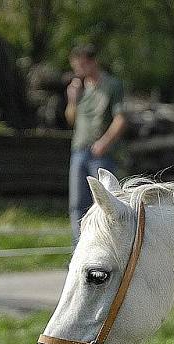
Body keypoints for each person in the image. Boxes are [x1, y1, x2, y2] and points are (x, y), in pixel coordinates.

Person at [65, 44, 129, 244]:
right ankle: (81, 248)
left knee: (104, 202)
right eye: (76, 66)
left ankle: (109, 245)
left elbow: (121, 119)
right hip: (78, 151)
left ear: (93, 62)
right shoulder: (79, 88)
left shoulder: (112, 85)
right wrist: (72, 100)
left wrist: (105, 142)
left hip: (101, 153)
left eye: (82, 65)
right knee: (77, 205)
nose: (79, 70)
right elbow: (71, 119)